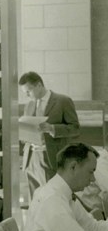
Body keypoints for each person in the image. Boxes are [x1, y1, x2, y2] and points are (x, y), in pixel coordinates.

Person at [19, 71, 80, 199]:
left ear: (39, 85)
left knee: (52, 198)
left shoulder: (63, 101)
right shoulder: (29, 105)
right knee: (34, 200)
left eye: (28, 91)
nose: (26, 95)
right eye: (25, 92)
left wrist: (52, 128)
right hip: (31, 159)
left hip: (51, 157)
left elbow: (75, 128)